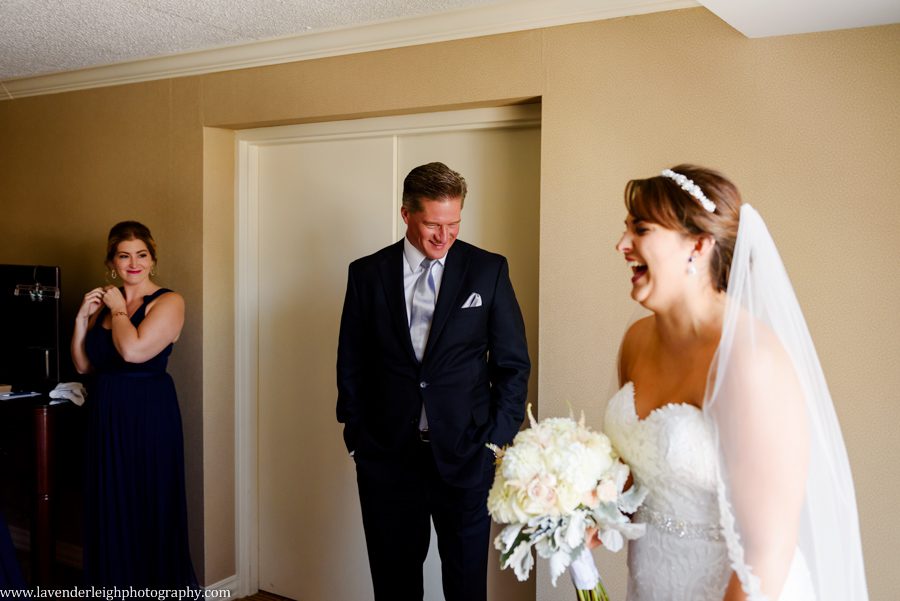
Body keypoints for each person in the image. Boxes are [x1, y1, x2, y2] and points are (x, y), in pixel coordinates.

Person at [596, 165, 868, 600]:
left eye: (641, 229)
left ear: (699, 246)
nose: (622, 244)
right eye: (625, 229)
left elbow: (768, 551)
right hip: (651, 583)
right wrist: (584, 510)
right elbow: (637, 469)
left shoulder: (748, 359)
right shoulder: (636, 341)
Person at [336, 162, 531, 601]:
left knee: (465, 587)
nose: (444, 236)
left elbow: (513, 364)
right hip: (387, 459)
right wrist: (357, 438)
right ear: (406, 214)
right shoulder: (366, 274)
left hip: (467, 457)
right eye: (432, 224)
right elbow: (352, 361)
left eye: (454, 224)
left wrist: (495, 441)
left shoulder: (488, 271)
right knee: (394, 584)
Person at [71, 221, 196, 588]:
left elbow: (134, 350)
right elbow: (84, 364)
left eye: (141, 255)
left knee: (147, 503)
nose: (133, 263)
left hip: (148, 414)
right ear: (112, 262)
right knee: (110, 505)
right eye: (124, 256)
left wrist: (119, 310)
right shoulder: (105, 305)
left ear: (153, 259)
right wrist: (81, 317)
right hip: (106, 414)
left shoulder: (169, 301)